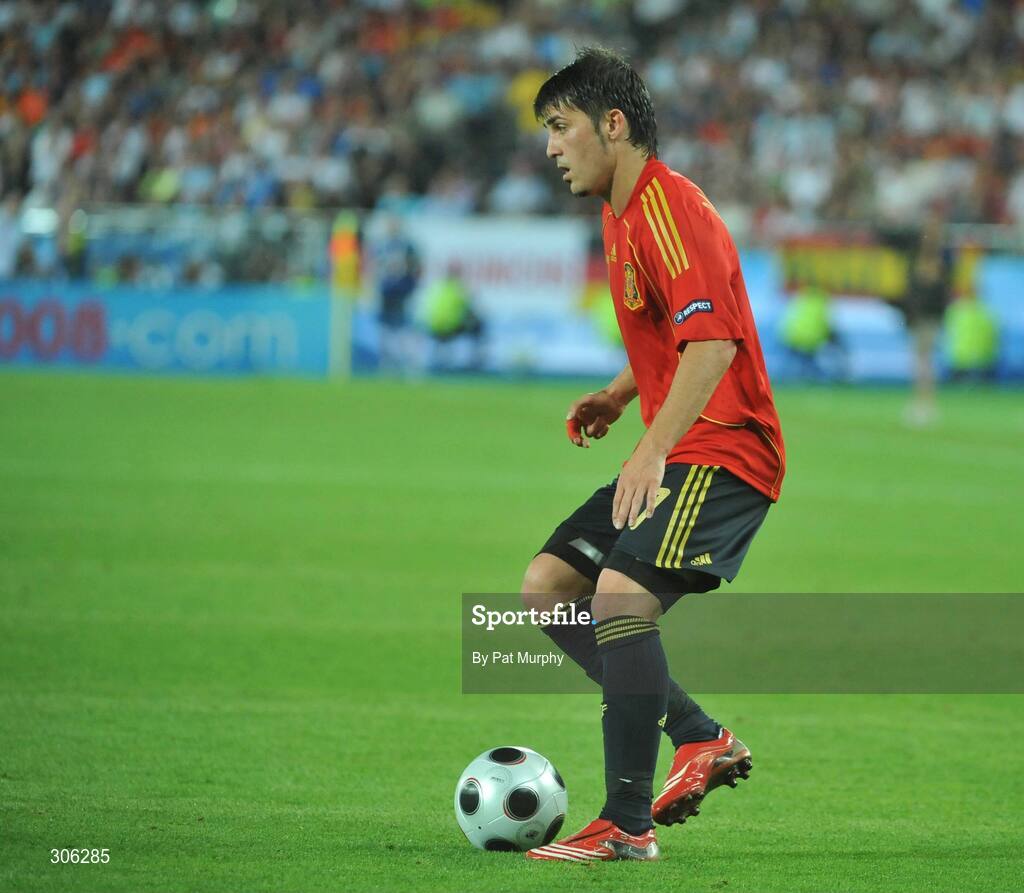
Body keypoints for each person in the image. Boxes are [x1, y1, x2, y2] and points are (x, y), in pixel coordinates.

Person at [522, 47, 785, 863]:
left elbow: (713, 342)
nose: (551, 147)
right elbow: (673, 332)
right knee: (549, 588)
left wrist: (651, 447)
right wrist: (618, 394)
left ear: (614, 124)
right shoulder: (621, 213)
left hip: (724, 450)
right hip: (680, 445)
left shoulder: (668, 208)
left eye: (561, 126)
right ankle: (699, 734)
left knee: (620, 597)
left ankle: (626, 824)